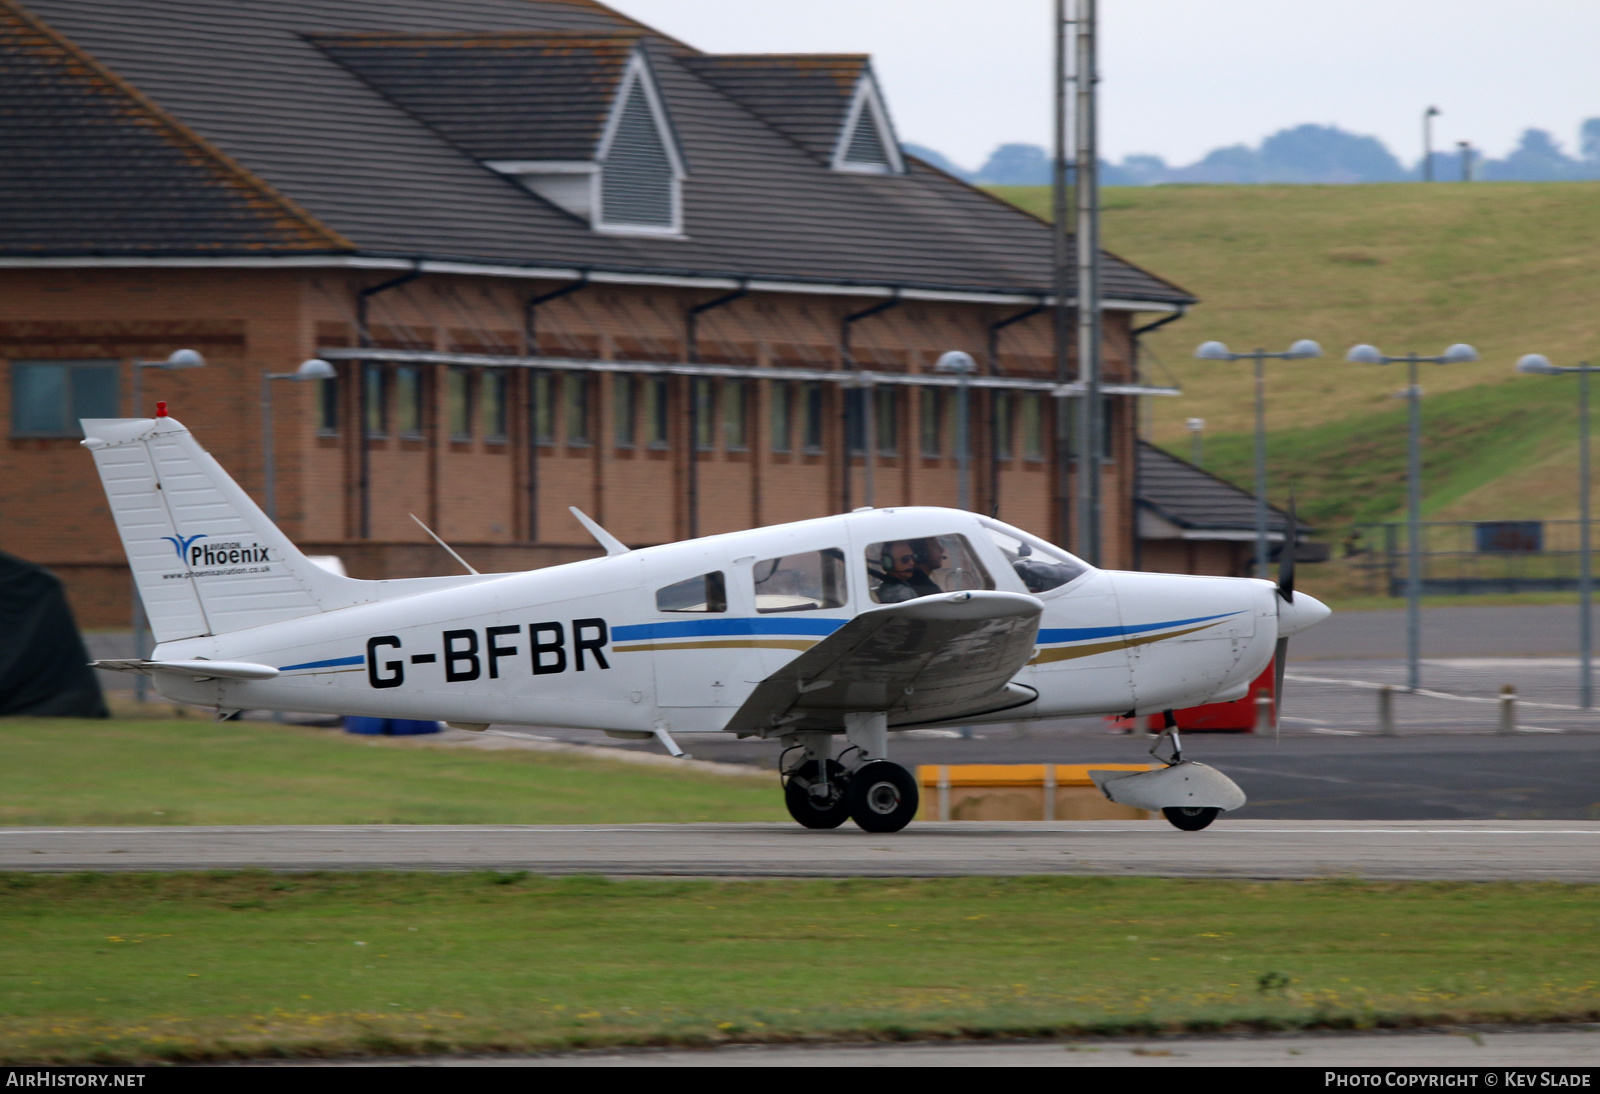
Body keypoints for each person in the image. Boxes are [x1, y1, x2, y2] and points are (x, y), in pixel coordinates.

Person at [875, 540, 941, 603]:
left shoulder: (887, 587)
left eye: (913, 557)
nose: (912, 563)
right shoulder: (902, 592)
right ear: (888, 563)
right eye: (905, 559)